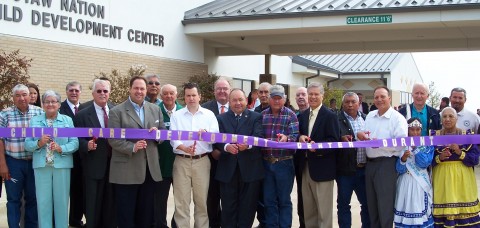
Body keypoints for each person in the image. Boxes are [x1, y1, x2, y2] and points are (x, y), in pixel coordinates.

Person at [108, 76, 165, 228]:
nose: (139, 91)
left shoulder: (155, 109)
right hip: (126, 170)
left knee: (146, 214)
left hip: (149, 170)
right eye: (136, 88)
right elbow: (112, 139)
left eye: (142, 88)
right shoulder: (116, 111)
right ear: (130, 89)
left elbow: (163, 134)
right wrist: (132, 147)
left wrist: (157, 134)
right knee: (126, 214)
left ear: (146, 90)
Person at [24, 90, 79, 228]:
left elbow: (75, 142)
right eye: (47, 101)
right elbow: (27, 144)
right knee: (43, 203)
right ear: (42, 104)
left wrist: (61, 148)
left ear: (59, 104)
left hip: (62, 165)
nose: (50, 104)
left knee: (61, 202)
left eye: (53, 101)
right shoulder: (35, 121)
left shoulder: (67, 120)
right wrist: (39, 143)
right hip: (42, 166)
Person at [357, 86, 408, 228]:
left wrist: (379, 144)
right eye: (376, 97)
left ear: (389, 98)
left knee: (385, 206)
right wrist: (359, 135)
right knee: (372, 206)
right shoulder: (370, 116)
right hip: (370, 164)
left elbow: (401, 143)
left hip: (387, 164)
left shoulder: (397, 118)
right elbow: (365, 134)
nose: (379, 100)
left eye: (382, 96)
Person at [170, 82, 219, 228]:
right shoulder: (176, 116)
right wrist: (184, 148)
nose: (191, 98)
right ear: (184, 98)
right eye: (188, 95)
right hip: (181, 161)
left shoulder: (209, 115)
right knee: (181, 202)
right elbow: (173, 137)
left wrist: (207, 135)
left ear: (200, 97)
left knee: (201, 201)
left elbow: (216, 137)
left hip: (202, 161)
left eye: (194, 95)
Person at [215, 88, 264, 227]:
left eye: (240, 99)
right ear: (229, 102)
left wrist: (247, 145)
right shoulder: (220, 118)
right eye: (234, 100)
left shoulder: (256, 117)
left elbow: (258, 137)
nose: (238, 103)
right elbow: (216, 140)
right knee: (228, 209)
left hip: (250, 171)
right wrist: (226, 147)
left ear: (246, 101)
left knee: (247, 209)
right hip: (227, 171)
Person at [74, 79, 116, 228]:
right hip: (93, 165)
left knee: (111, 204)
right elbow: (76, 139)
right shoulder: (82, 114)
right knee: (93, 203)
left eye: (105, 91)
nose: (102, 94)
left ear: (109, 93)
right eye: (99, 91)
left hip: (115, 166)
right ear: (93, 93)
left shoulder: (117, 111)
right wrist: (86, 145)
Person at [0, 84, 43, 228]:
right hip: (13, 163)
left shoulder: (39, 113)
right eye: (17, 95)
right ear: (13, 98)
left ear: (30, 96)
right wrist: (2, 164)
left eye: (24, 94)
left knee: (33, 199)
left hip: (35, 162)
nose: (22, 98)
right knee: (13, 200)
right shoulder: (5, 114)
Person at [297, 82, 340, 227]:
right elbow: (300, 135)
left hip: (323, 170)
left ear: (323, 95)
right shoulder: (302, 115)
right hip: (305, 168)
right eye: (311, 94)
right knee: (309, 211)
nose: (313, 97)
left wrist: (318, 148)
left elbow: (334, 141)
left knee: (324, 212)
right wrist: (300, 137)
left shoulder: (330, 116)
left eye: (316, 94)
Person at [431, 107, 480, 227]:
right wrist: (439, 157)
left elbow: (474, 159)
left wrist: (459, 152)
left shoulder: (467, 135)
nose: (447, 119)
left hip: (463, 180)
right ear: (441, 119)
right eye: (445, 116)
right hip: (442, 179)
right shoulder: (433, 136)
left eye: (451, 116)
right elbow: (426, 161)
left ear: (457, 118)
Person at [261, 85, 299, 227]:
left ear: (284, 99)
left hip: (284, 163)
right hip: (266, 163)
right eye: (274, 98)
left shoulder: (291, 115)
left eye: (279, 98)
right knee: (269, 200)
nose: (276, 101)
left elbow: (295, 136)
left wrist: (286, 138)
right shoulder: (263, 115)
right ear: (269, 99)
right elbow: (257, 136)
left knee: (284, 200)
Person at [336, 92, 370, 228]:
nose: (350, 105)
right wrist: (341, 139)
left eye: (353, 102)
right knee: (344, 205)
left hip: (364, 170)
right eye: (347, 102)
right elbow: (332, 139)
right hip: (345, 171)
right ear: (343, 104)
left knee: (366, 204)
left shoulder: (367, 119)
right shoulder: (336, 119)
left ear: (359, 103)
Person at [394, 117, 434, 227]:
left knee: (420, 208)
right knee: (405, 207)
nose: (415, 132)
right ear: (407, 130)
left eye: (418, 129)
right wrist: (403, 159)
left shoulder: (427, 144)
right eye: (412, 129)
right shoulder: (402, 144)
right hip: (405, 182)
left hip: (420, 182)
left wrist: (415, 148)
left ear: (422, 130)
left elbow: (424, 163)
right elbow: (399, 169)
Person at [201, 78, 230, 228]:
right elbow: (201, 133)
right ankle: (213, 224)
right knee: (211, 196)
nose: (222, 91)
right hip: (210, 159)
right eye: (219, 88)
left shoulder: (237, 106)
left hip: (230, 159)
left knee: (229, 197)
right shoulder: (204, 108)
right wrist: (213, 150)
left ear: (230, 90)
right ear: (214, 91)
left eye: (225, 88)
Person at [154, 84, 183, 228]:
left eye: (172, 93)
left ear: (176, 95)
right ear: (161, 96)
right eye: (165, 93)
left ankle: (176, 224)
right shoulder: (154, 111)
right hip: (161, 164)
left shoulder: (184, 111)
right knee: (160, 200)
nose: (169, 96)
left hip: (180, 164)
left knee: (180, 200)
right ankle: (160, 224)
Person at [59, 81, 85, 228]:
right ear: (66, 92)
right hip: (64, 156)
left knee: (79, 191)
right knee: (63, 192)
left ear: (80, 92)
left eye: (76, 90)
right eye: (71, 90)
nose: (74, 93)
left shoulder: (86, 108)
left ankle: (75, 220)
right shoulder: (60, 109)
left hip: (82, 157)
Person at [253, 81, 271, 227]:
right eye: (261, 92)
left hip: (274, 159)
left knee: (271, 195)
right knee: (259, 194)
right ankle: (262, 222)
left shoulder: (281, 110)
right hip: (257, 159)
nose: (264, 95)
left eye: (267, 92)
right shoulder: (254, 112)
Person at [294, 86, 309, 228]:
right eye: (298, 95)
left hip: (316, 162)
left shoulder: (321, 115)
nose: (300, 97)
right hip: (298, 163)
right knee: (301, 195)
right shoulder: (294, 116)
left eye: (303, 94)